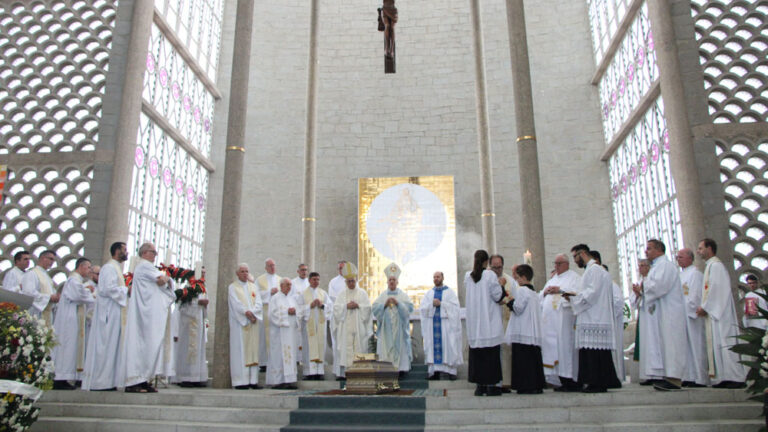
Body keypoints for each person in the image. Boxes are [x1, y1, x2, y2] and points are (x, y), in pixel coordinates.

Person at [554, 244, 620, 393]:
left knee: (593, 353)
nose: (575, 261)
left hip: (594, 318)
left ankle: (596, 383)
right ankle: (594, 383)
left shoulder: (595, 270)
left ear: (582, 254)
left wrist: (573, 298)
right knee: (592, 352)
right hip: (592, 316)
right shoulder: (592, 270)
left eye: (575, 257)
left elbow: (591, 294)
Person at [632, 240, 686, 391]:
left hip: (670, 313)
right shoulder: (657, 266)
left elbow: (658, 287)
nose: (646, 252)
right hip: (662, 313)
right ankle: (666, 376)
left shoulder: (665, 265)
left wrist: (643, 286)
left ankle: (674, 379)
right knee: (664, 345)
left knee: (671, 345)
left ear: (659, 250)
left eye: (649, 249)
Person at [122, 243, 175, 393]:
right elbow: (162, 280)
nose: (155, 254)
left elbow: (165, 281)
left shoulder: (145, 267)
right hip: (146, 314)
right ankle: (134, 381)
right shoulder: (144, 265)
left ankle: (143, 379)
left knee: (150, 345)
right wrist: (166, 279)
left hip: (151, 312)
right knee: (144, 345)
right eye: (153, 252)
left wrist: (166, 280)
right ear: (144, 253)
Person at [696, 238, 747, 388]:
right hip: (715, 314)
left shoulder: (716, 266)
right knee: (719, 346)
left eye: (700, 248)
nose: (698, 251)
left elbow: (717, 289)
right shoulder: (710, 266)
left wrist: (705, 307)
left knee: (726, 344)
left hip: (721, 314)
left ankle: (736, 377)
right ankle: (724, 377)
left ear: (709, 248)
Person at [82, 242, 129, 391]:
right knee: (105, 347)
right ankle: (100, 381)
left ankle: (110, 380)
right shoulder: (109, 268)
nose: (126, 252)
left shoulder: (115, 267)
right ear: (117, 251)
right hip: (108, 313)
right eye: (124, 250)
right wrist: (127, 290)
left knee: (112, 347)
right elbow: (108, 289)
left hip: (114, 311)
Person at [465, 249, 509, 396]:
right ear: (486, 262)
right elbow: (497, 296)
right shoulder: (490, 275)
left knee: (478, 356)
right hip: (488, 323)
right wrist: (501, 284)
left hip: (475, 324)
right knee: (490, 357)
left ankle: (480, 386)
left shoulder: (468, 276)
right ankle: (492, 386)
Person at [52, 257, 95, 389]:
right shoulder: (73, 280)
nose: (89, 271)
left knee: (71, 348)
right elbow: (78, 295)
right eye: (88, 268)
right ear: (81, 266)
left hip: (74, 317)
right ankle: (60, 378)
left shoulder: (77, 281)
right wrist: (90, 292)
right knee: (66, 347)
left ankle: (66, 378)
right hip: (68, 320)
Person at [540, 254, 582, 390]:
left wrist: (560, 290)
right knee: (554, 351)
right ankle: (557, 379)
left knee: (565, 350)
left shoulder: (574, 278)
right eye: (555, 263)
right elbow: (541, 296)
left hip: (565, 322)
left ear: (566, 264)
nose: (556, 266)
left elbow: (577, 295)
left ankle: (569, 379)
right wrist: (545, 292)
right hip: (551, 325)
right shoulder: (553, 279)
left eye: (559, 264)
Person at [504, 264, 545, 394]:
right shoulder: (534, 292)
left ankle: (525, 386)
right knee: (533, 359)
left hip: (523, 331)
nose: (516, 281)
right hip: (532, 331)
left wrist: (508, 301)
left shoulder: (522, 290)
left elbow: (518, 308)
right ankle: (536, 385)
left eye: (517, 278)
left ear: (523, 277)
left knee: (523, 361)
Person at [332, 262, 372, 379]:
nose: (351, 283)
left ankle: (359, 373)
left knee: (360, 348)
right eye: (349, 281)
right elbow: (336, 310)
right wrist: (346, 306)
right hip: (346, 328)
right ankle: (346, 373)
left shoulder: (362, 293)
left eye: (353, 281)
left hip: (359, 328)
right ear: (345, 282)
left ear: (356, 280)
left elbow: (367, 309)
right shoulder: (341, 294)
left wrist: (358, 305)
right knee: (346, 349)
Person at [419, 271, 462, 381]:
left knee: (448, 346)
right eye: (434, 277)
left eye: (438, 277)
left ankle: (451, 371)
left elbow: (456, 308)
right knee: (433, 347)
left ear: (443, 278)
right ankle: (434, 372)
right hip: (432, 325)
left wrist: (442, 304)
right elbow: (422, 309)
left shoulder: (450, 292)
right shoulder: (429, 294)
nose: (436, 279)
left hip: (446, 326)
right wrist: (431, 304)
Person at [372, 263, 413, 375]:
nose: (391, 281)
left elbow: (409, 309)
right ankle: (387, 369)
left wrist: (398, 303)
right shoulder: (383, 295)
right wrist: (384, 305)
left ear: (397, 282)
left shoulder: (403, 295)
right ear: (387, 282)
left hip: (399, 329)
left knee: (400, 346)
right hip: (386, 330)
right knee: (386, 348)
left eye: (393, 280)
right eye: (390, 279)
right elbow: (375, 308)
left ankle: (401, 369)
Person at [676, 248, 709, 387]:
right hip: (682, 316)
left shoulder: (695, 274)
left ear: (690, 258)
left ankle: (700, 378)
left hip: (692, 315)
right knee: (685, 348)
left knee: (696, 346)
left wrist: (687, 309)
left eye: (681, 257)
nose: (678, 259)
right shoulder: (680, 275)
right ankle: (688, 376)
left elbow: (695, 296)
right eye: (677, 257)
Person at [228, 264, 263, 389]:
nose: (245, 273)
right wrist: (246, 313)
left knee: (253, 351)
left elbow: (259, 302)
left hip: (253, 322)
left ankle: (253, 381)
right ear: (237, 273)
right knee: (241, 351)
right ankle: (240, 381)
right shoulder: (233, 287)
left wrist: (253, 313)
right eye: (242, 271)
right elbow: (235, 303)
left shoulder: (253, 287)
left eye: (247, 271)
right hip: (241, 324)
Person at [174, 269, 209, 388]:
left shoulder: (203, 289)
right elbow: (182, 307)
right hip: (188, 325)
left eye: (204, 274)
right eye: (202, 273)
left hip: (199, 323)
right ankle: (185, 377)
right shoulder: (187, 288)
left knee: (198, 350)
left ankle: (196, 377)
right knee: (187, 350)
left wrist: (204, 306)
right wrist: (198, 303)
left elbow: (204, 308)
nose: (204, 276)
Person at [297, 271, 331, 380]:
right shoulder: (303, 294)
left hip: (320, 326)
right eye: (314, 279)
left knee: (320, 346)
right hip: (309, 327)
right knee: (308, 347)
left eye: (318, 279)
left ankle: (319, 371)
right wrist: (309, 306)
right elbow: (298, 309)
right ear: (309, 280)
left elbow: (330, 307)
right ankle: (309, 372)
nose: (316, 282)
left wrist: (322, 305)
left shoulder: (323, 293)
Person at [490, 254, 517, 391]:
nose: (497, 270)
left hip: (506, 321)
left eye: (499, 267)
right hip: (491, 322)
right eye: (494, 267)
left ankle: (506, 382)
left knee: (506, 351)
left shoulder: (510, 281)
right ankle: (494, 382)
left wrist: (506, 301)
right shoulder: (486, 281)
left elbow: (516, 298)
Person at [267, 278, 300, 389]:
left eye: (290, 285)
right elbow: (272, 314)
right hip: (279, 334)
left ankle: (289, 380)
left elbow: (299, 312)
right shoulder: (275, 298)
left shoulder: (292, 299)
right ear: (281, 286)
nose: (289, 287)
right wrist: (287, 312)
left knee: (290, 355)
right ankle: (278, 381)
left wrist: (296, 312)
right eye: (287, 285)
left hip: (290, 333)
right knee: (278, 356)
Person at [21, 250, 60, 325]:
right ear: (43, 258)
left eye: (53, 260)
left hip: (47, 313)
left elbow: (51, 293)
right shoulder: (32, 273)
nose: (52, 262)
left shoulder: (47, 276)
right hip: (36, 313)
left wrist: (56, 297)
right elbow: (29, 293)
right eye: (51, 259)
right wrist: (49, 297)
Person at [256, 258, 281, 370]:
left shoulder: (280, 280)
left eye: (274, 265)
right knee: (263, 338)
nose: (272, 267)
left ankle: (275, 361)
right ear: (266, 268)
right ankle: (264, 363)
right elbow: (255, 295)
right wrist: (269, 292)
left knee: (276, 338)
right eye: (270, 265)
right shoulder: (260, 280)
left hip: (276, 313)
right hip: (264, 312)